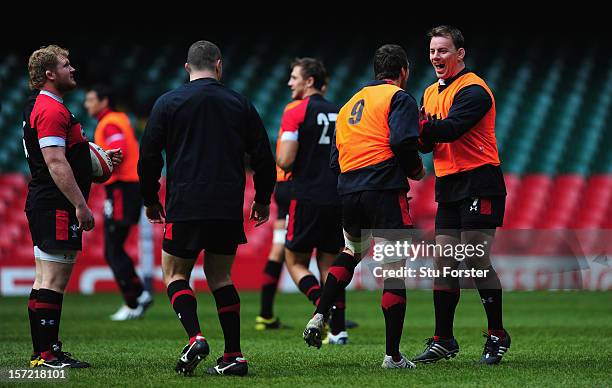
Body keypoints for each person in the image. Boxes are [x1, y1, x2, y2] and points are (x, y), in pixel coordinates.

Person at [138, 40, 276, 377]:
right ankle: (234, 355)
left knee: (175, 274)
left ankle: (196, 336)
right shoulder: (240, 103)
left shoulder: (167, 103)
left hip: (185, 203)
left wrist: (151, 198)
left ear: (187, 67)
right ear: (219, 65)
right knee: (220, 276)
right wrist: (261, 198)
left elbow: (148, 159)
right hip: (227, 205)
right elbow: (264, 159)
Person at [302, 44, 425, 368]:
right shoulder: (398, 97)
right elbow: (401, 141)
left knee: (350, 252)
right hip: (383, 188)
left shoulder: (348, 105)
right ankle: (393, 356)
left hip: (349, 190)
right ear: (403, 72)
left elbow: (334, 160)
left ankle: (319, 314)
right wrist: (415, 169)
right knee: (393, 270)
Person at [412, 25, 510, 365]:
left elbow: (451, 129)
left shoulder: (474, 90)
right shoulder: (428, 93)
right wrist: (417, 136)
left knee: (475, 259)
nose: (436, 56)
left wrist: (413, 126)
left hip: (480, 181)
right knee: (444, 262)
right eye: (432, 51)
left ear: (460, 53)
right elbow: (428, 142)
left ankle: (497, 334)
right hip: (449, 184)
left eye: (443, 50)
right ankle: (444, 339)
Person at [23, 45, 122, 368]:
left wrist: (98, 158)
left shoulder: (42, 107)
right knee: (54, 280)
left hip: (44, 201)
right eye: (66, 65)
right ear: (50, 73)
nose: (72, 69)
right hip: (57, 205)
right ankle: (49, 355)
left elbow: (67, 156)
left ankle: (42, 352)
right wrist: (81, 205)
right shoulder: (51, 110)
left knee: (43, 279)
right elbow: (55, 162)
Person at [276, 58, 347, 344]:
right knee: (331, 264)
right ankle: (339, 332)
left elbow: (285, 159)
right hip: (337, 196)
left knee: (294, 260)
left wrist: (280, 157)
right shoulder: (340, 112)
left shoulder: (295, 110)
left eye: (294, 77)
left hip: (306, 195)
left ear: (309, 81)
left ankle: (321, 309)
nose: (289, 83)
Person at [84, 85, 153, 321]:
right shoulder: (118, 119)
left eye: (91, 99)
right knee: (114, 246)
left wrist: (98, 162)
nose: (87, 104)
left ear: (104, 101)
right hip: (127, 186)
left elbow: (119, 150)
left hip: (123, 187)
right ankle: (137, 295)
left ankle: (135, 299)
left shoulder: (110, 122)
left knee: (113, 247)